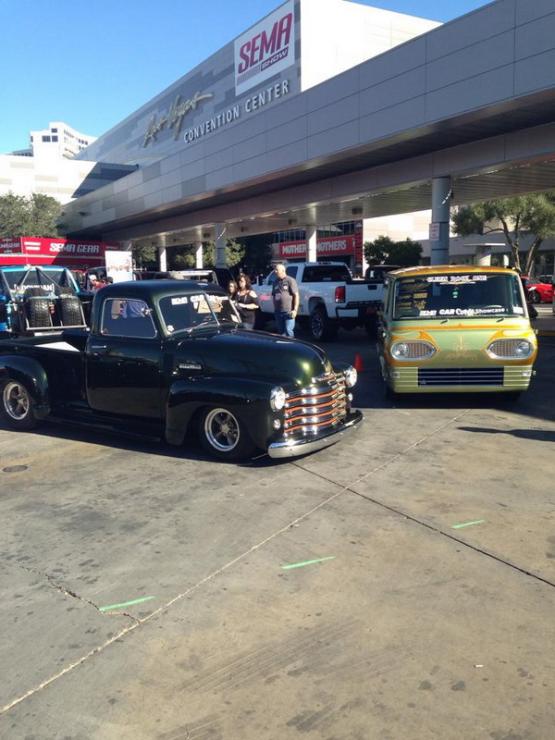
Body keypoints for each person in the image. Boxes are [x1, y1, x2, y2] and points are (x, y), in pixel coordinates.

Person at [271, 262, 299, 337]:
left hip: (288, 311)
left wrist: (295, 310)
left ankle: (290, 344)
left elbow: (296, 295)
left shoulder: (290, 280)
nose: (275, 271)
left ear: (283, 270)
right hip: (278, 311)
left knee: (288, 331)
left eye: (277, 270)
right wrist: (275, 308)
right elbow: (274, 295)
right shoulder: (275, 282)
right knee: (280, 332)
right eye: (275, 270)